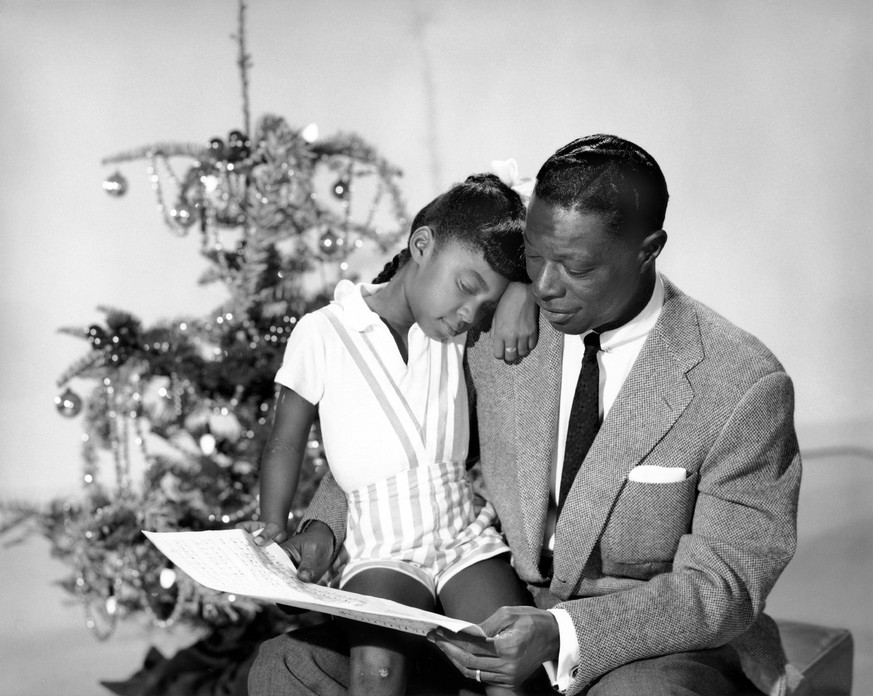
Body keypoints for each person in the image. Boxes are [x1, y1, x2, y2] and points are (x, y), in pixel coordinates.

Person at [249, 135, 803, 696]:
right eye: (534, 258)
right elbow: (411, 440)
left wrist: (563, 632)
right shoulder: (493, 324)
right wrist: (324, 525)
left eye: (574, 266)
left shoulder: (742, 384)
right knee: (287, 667)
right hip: (485, 601)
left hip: (635, 643)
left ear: (648, 249)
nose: (544, 286)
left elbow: (724, 584)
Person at [242, 172, 545, 696]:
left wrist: (520, 288)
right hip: (381, 542)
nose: (470, 314)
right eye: (467, 288)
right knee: (377, 672)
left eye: (486, 306)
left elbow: (527, 257)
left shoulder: (454, 335)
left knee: (501, 658)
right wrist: (274, 524)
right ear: (421, 245)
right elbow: (285, 442)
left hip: (462, 530)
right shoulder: (323, 332)